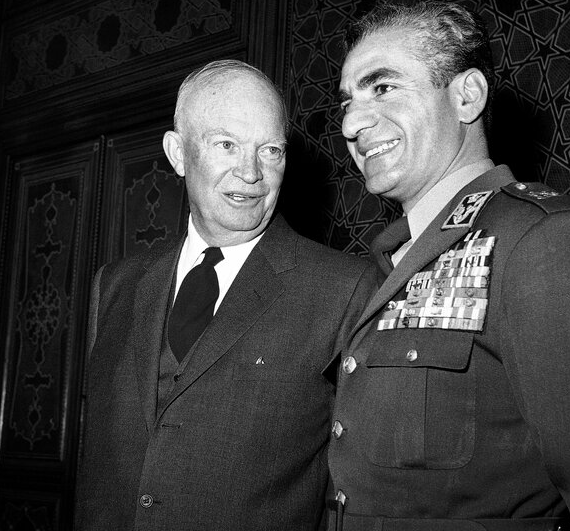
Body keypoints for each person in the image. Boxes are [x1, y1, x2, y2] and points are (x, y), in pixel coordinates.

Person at [328, 1, 570, 531]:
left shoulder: (548, 243)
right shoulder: (383, 262)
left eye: (383, 87)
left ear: (467, 96)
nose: (352, 122)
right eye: (347, 101)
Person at [74, 59, 377, 531]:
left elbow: (359, 488)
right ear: (177, 153)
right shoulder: (115, 285)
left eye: (270, 150)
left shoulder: (346, 288)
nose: (251, 172)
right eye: (226, 145)